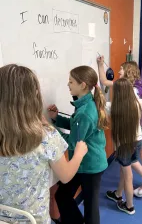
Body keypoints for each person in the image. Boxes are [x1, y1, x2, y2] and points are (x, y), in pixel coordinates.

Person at [0, 64, 88, 224]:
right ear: (34, 96)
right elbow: (66, 176)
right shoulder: (46, 136)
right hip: (34, 220)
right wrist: (79, 153)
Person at [48, 66, 108, 224]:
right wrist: (57, 118)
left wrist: (50, 131)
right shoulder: (85, 105)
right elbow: (77, 128)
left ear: (83, 85)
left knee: (91, 206)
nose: (68, 85)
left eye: (71, 82)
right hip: (85, 164)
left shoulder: (85, 112)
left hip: (90, 166)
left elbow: (72, 143)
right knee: (63, 196)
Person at [97, 58, 142, 196]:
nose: (118, 71)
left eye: (121, 68)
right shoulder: (121, 84)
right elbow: (104, 81)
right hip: (130, 127)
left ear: (128, 70)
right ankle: (120, 192)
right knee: (127, 160)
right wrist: (101, 65)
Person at [105, 78, 142, 214]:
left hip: (124, 145)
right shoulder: (138, 103)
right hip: (137, 141)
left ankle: (129, 206)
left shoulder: (112, 107)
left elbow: (100, 104)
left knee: (128, 175)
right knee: (125, 169)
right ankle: (118, 194)